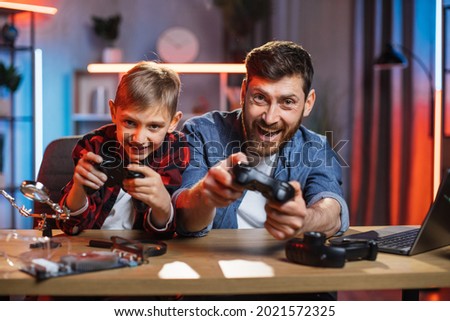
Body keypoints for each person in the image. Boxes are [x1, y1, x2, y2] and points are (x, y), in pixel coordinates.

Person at [174, 40, 349, 241]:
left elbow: (332, 210)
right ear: (242, 93)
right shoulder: (202, 132)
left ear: (307, 104)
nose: (270, 117)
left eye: (287, 102)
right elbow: (183, 219)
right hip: (214, 266)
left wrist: (304, 220)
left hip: (283, 266)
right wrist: (205, 195)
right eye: (259, 98)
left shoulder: (316, 148)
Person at [58, 61, 189, 238]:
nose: (138, 138)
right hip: (93, 246)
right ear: (113, 112)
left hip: (147, 251)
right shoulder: (93, 145)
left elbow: (164, 233)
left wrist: (162, 204)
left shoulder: (176, 149)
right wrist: (79, 188)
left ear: (173, 122)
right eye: (129, 122)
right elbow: (70, 227)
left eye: (154, 126)